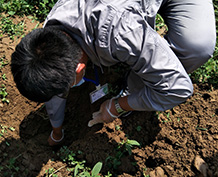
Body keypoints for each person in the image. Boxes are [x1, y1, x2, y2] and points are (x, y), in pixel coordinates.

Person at [11, 0, 216, 146]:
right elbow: (51, 82)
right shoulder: (52, 27)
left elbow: (178, 89)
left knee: (196, 48)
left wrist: (116, 106)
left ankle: (134, 87)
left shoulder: (121, 33)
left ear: (80, 69)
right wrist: (57, 131)